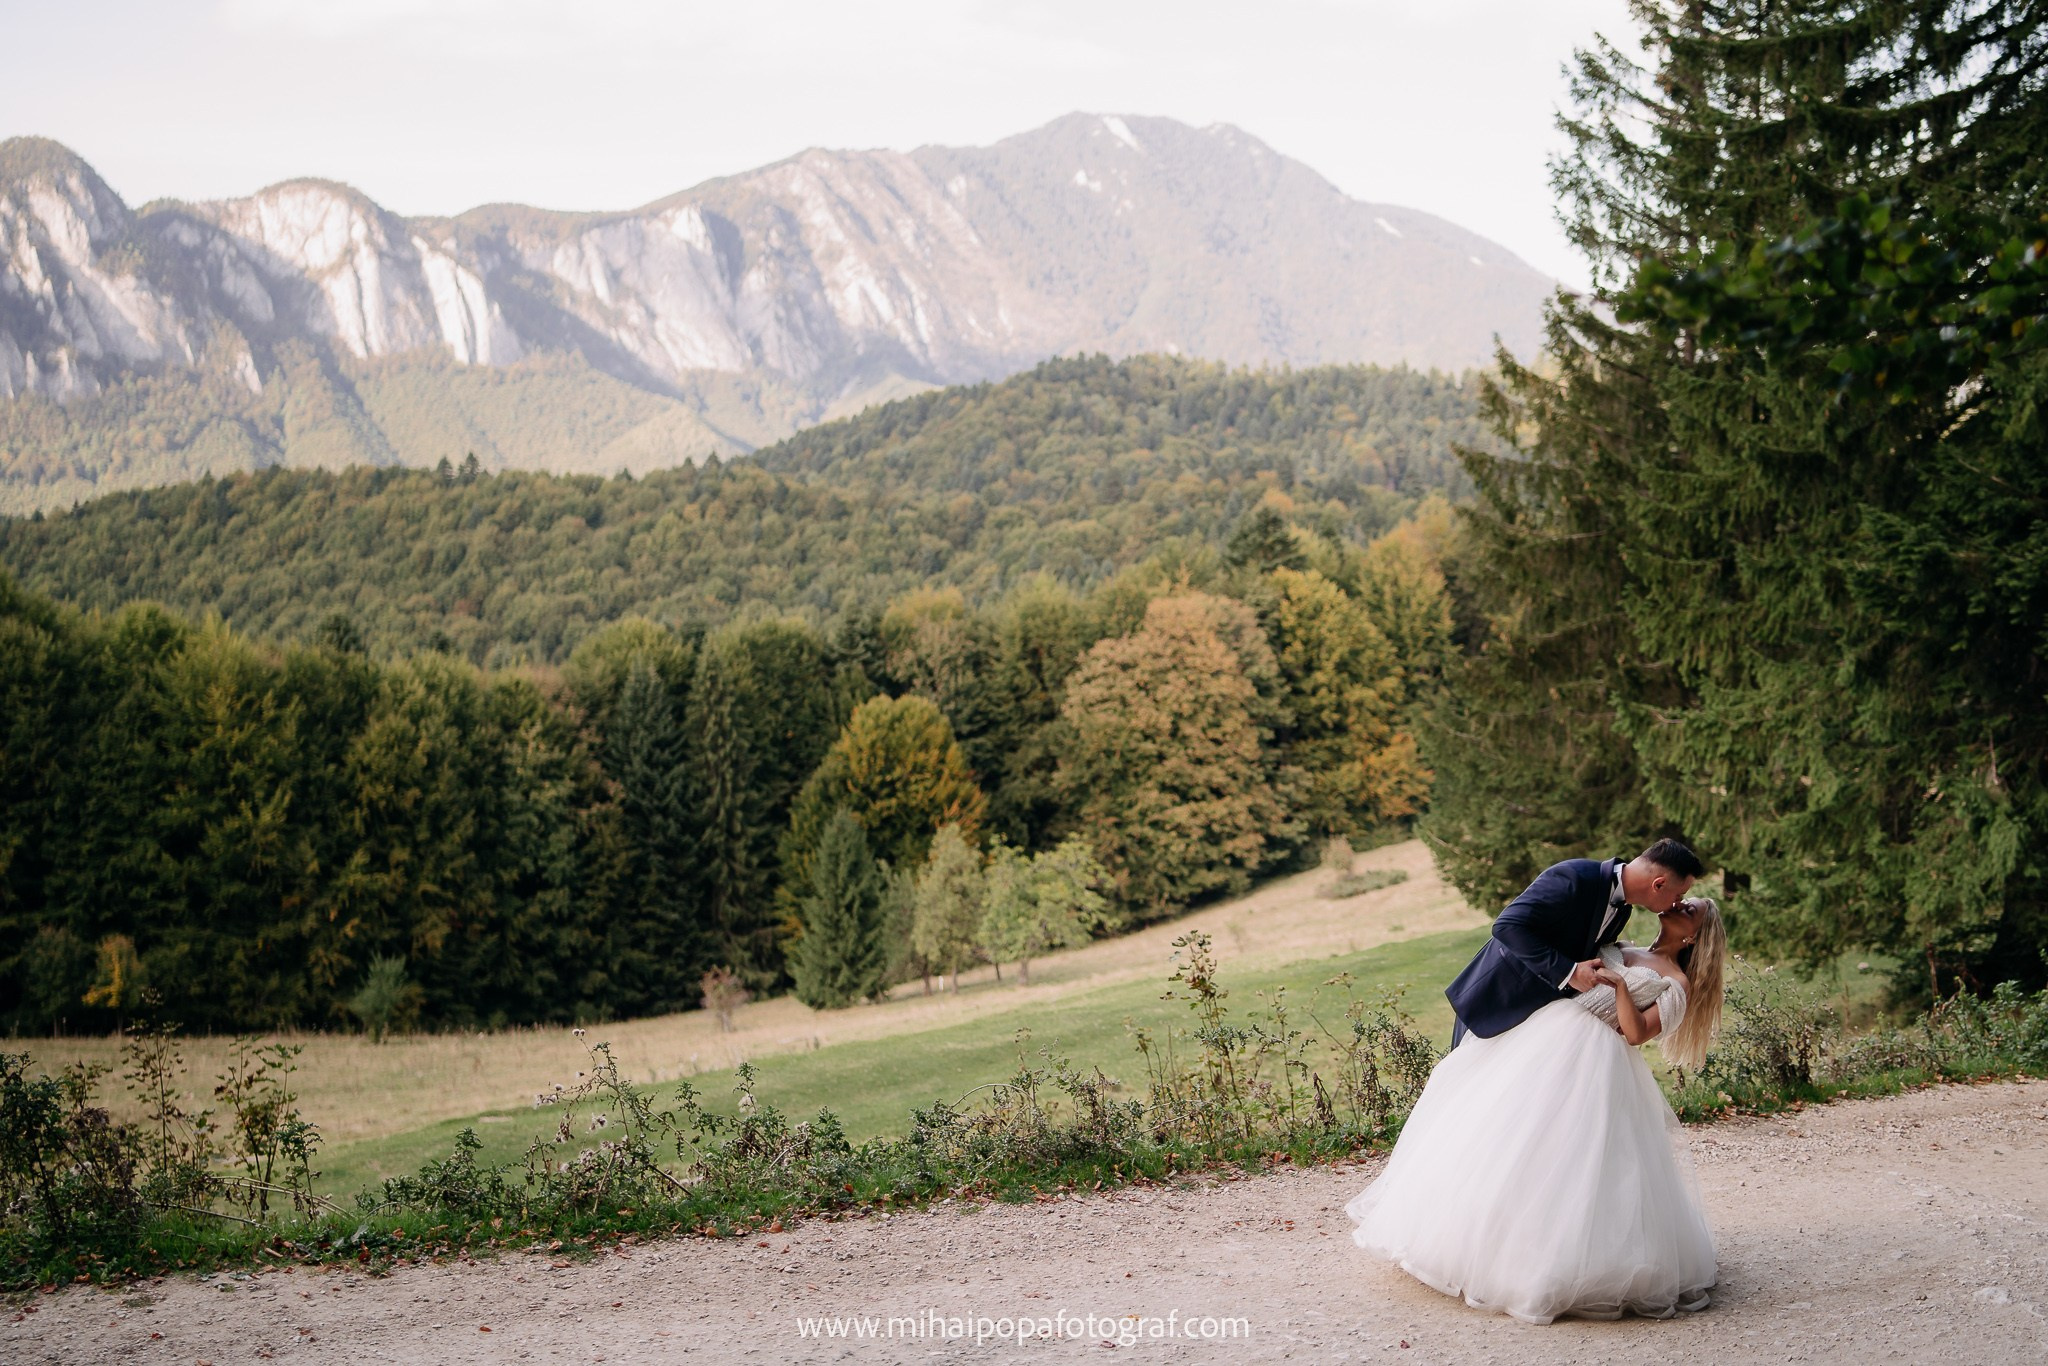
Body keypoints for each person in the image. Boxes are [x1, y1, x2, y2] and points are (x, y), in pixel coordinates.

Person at [1344, 853, 1729, 1323]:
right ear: (1660, 881)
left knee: (1578, 1162)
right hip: (1549, 1034)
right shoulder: (1621, 935)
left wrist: (1620, 989)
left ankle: (1565, 1259)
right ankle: (1479, 1237)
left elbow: (1635, 1033)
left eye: (1690, 910)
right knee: (1510, 1141)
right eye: (1682, 898)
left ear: (1694, 936)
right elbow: (1535, 938)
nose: (1680, 906)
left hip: (1595, 1058)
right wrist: (1577, 971)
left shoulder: (1677, 983)